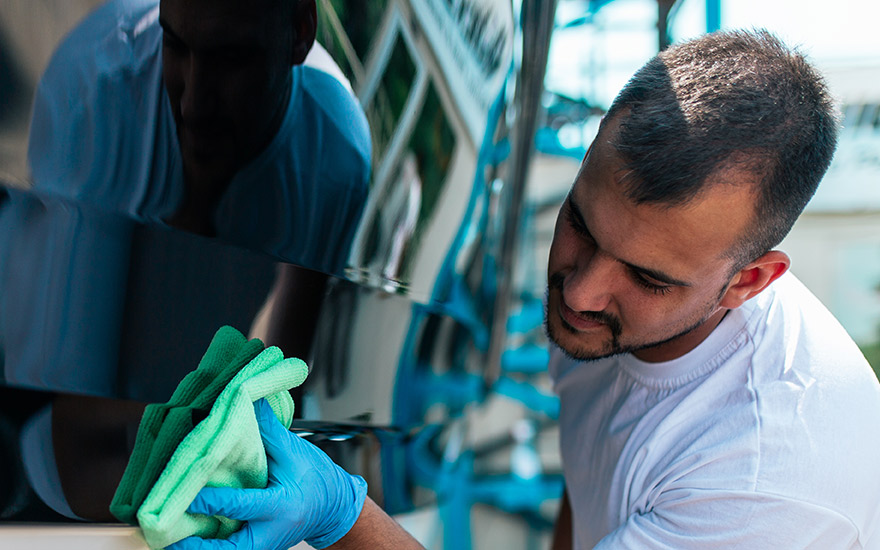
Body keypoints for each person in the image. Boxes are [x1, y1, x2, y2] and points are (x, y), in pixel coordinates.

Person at [173, 29, 880, 550]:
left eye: (647, 278)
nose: (581, 291)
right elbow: (590, 472)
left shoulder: (765, 486)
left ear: (747, 283)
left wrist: (342, 512)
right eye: (580, 223)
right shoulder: (612, 318)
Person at [26, 0, 370, 273]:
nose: (192, 106)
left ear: (300, 32)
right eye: (174, 44)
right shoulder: (86, 98)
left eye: (230, 59)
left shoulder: (338, 164)